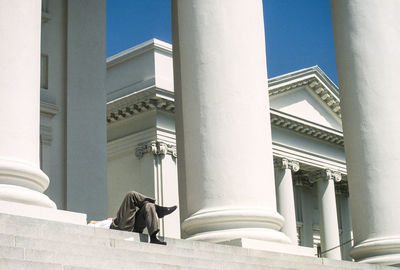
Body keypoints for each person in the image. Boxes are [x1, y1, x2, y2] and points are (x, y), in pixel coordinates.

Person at [109, 190, 177, 245]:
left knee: (149, 206)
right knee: (131, 195)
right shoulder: (99, 226)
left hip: (134, 228)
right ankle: (159, 210)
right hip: (119, 227)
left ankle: (153, 238)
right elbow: (97, 223)